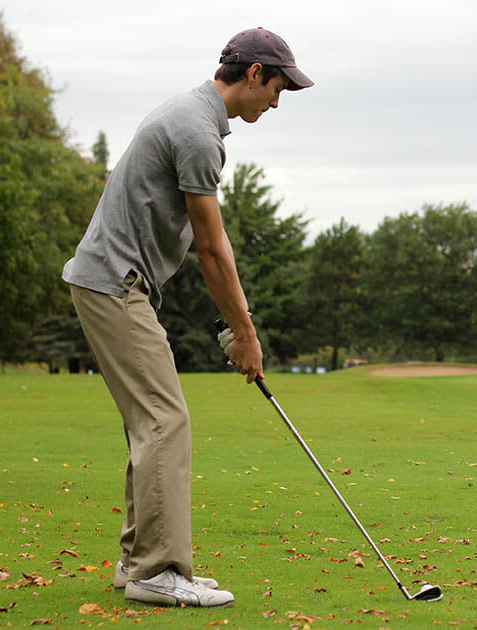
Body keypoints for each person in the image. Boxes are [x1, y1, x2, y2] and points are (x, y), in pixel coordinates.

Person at [62, 28, 313, 608]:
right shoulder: (199, 132)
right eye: (277, 88)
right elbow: (211, 247)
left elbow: (194, 245)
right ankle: (159, 570)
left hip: (116, 284)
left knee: (152, 422)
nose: (277, 102)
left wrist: (230, 323)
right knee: (165, 420)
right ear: (253, 74)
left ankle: (137, 562)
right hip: (113, 286)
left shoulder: (191, 114)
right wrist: (246, 334)